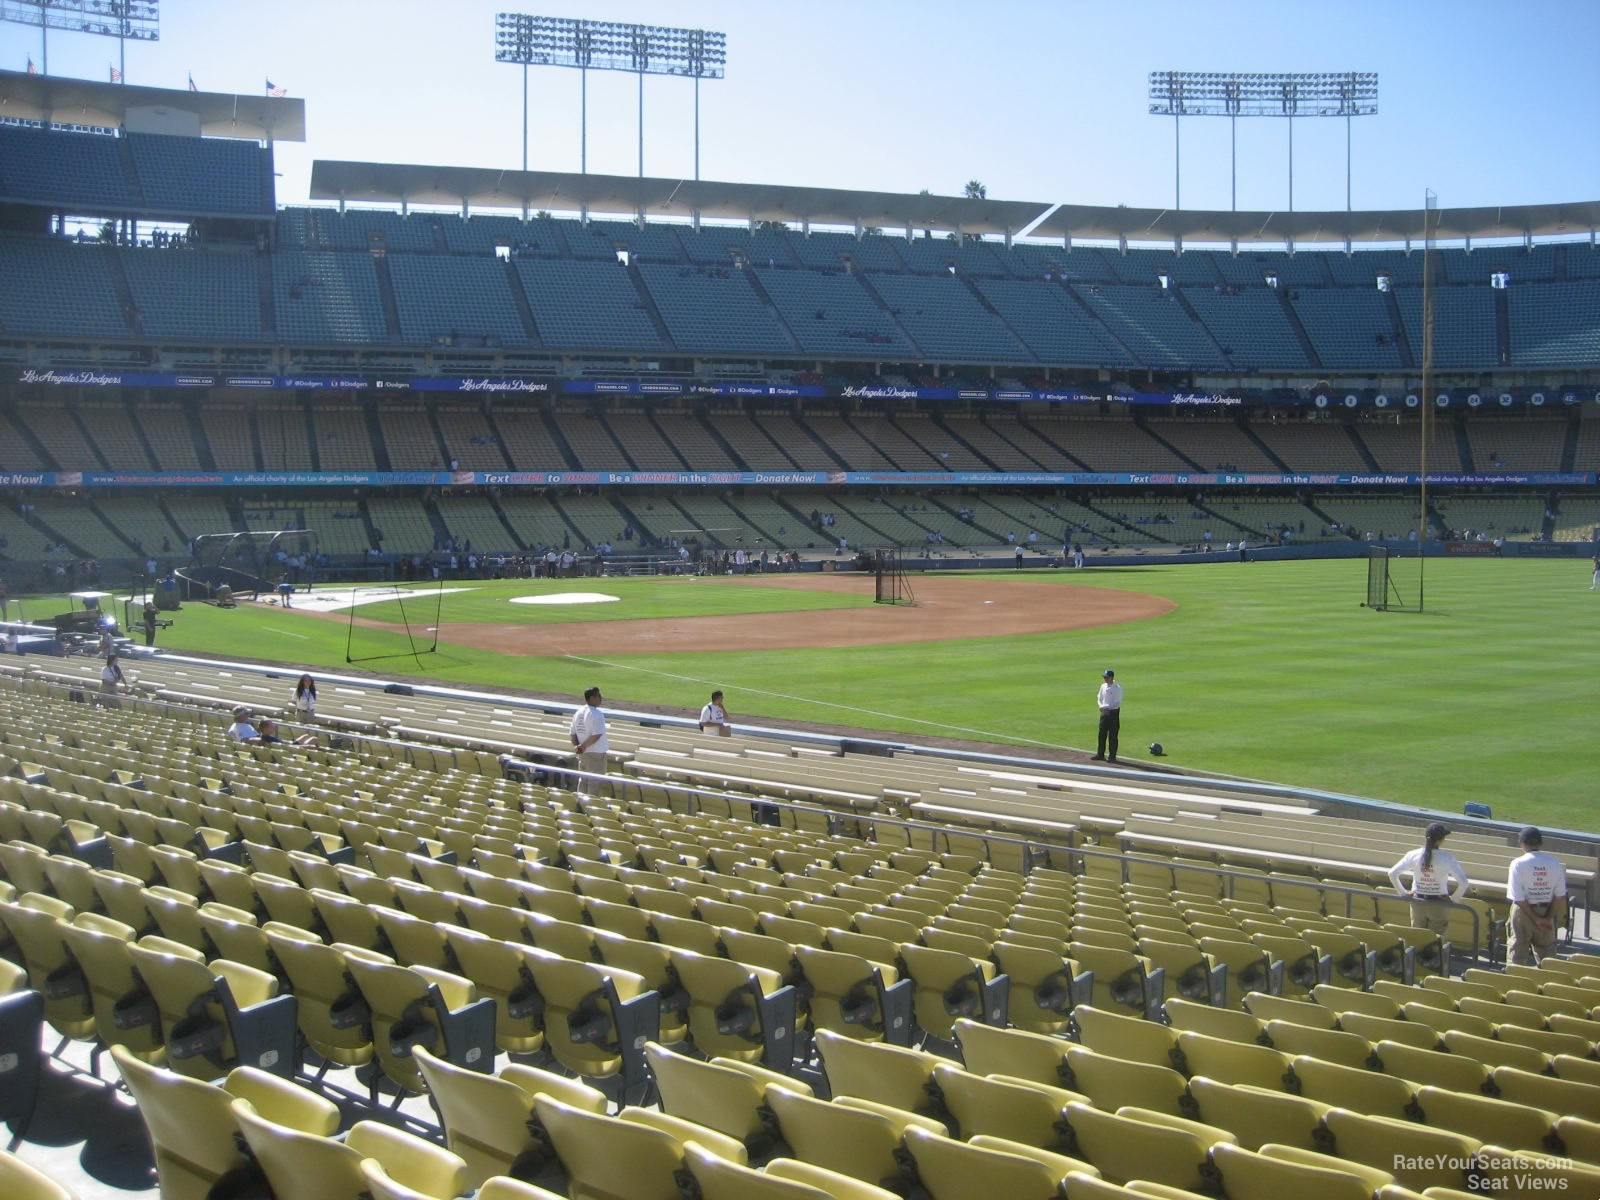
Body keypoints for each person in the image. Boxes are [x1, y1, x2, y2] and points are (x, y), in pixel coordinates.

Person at [1386, 822, 1468, 936]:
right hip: (1439, 905)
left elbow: (1392, 873)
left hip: (1417, 903)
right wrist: (1453, 900)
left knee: (1418, 940)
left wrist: (1403, 894)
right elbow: (1464, 883)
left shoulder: (1413, 854)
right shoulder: (1447, 857)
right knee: (1436, 944)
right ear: (1440, 840)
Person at [1507, 826, 1567, 965]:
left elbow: (1519, 898)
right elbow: (1560, 896)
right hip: (1547, 910)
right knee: (1548, 960)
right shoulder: (1553, 863)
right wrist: (1547, 918)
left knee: (1517, 958)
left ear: (1521, 843)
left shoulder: (1517, 864)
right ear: (1540, 843)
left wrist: (1536, 918)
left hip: (1523, 913)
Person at [569, 687, 609, 785]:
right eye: (598, 696)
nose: (601, 698)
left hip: (583, 753)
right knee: (594, 783)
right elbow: (596, 735)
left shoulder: (578, 712)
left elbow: (572, 733)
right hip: (596, 753)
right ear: (592, 698)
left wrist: (577, 747)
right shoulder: (597, 714)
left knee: (583, 781)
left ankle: (581, 800)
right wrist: (582, 747)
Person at [1092, 669, 1122, 762]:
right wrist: (1101, 706)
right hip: (1104, 713)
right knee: (1101, 734)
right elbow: (1099, 697)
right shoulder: (1103, 686)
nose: (1105, 679)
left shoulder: (1117, 688)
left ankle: (1112, 756)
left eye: (1106, 677)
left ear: (1112, 678)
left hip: (1113, 713)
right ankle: (1100, 754)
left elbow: (1118, 702)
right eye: (1104, 677)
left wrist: (1108, 708)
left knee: (1113, 735)